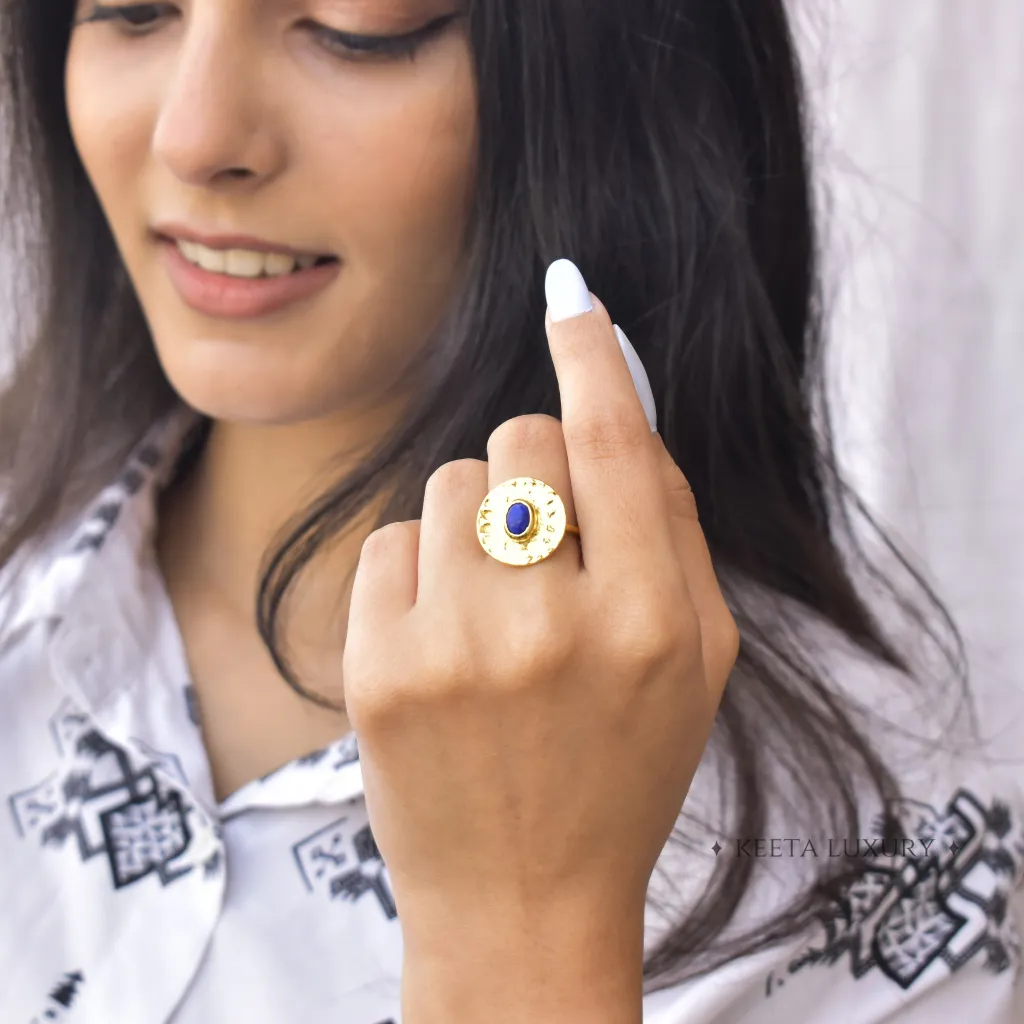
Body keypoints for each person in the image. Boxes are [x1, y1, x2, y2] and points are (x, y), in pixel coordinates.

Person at [0, 1, 1020, 1021]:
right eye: (132, 10)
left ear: (608, 83)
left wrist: (525, 935)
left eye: (356, 28)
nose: (195, 136)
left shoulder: (880, 857)